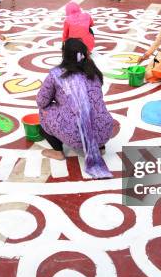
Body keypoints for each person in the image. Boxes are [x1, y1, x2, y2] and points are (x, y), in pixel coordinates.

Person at [36, 39, 114, 178]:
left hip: (78, 137)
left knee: (44, 110)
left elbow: (41, 101)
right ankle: (100, 147)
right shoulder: (94, 72)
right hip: (106, 130)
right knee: (93, 108)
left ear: (64, 54)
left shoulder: (56, 75)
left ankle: (58, 151)